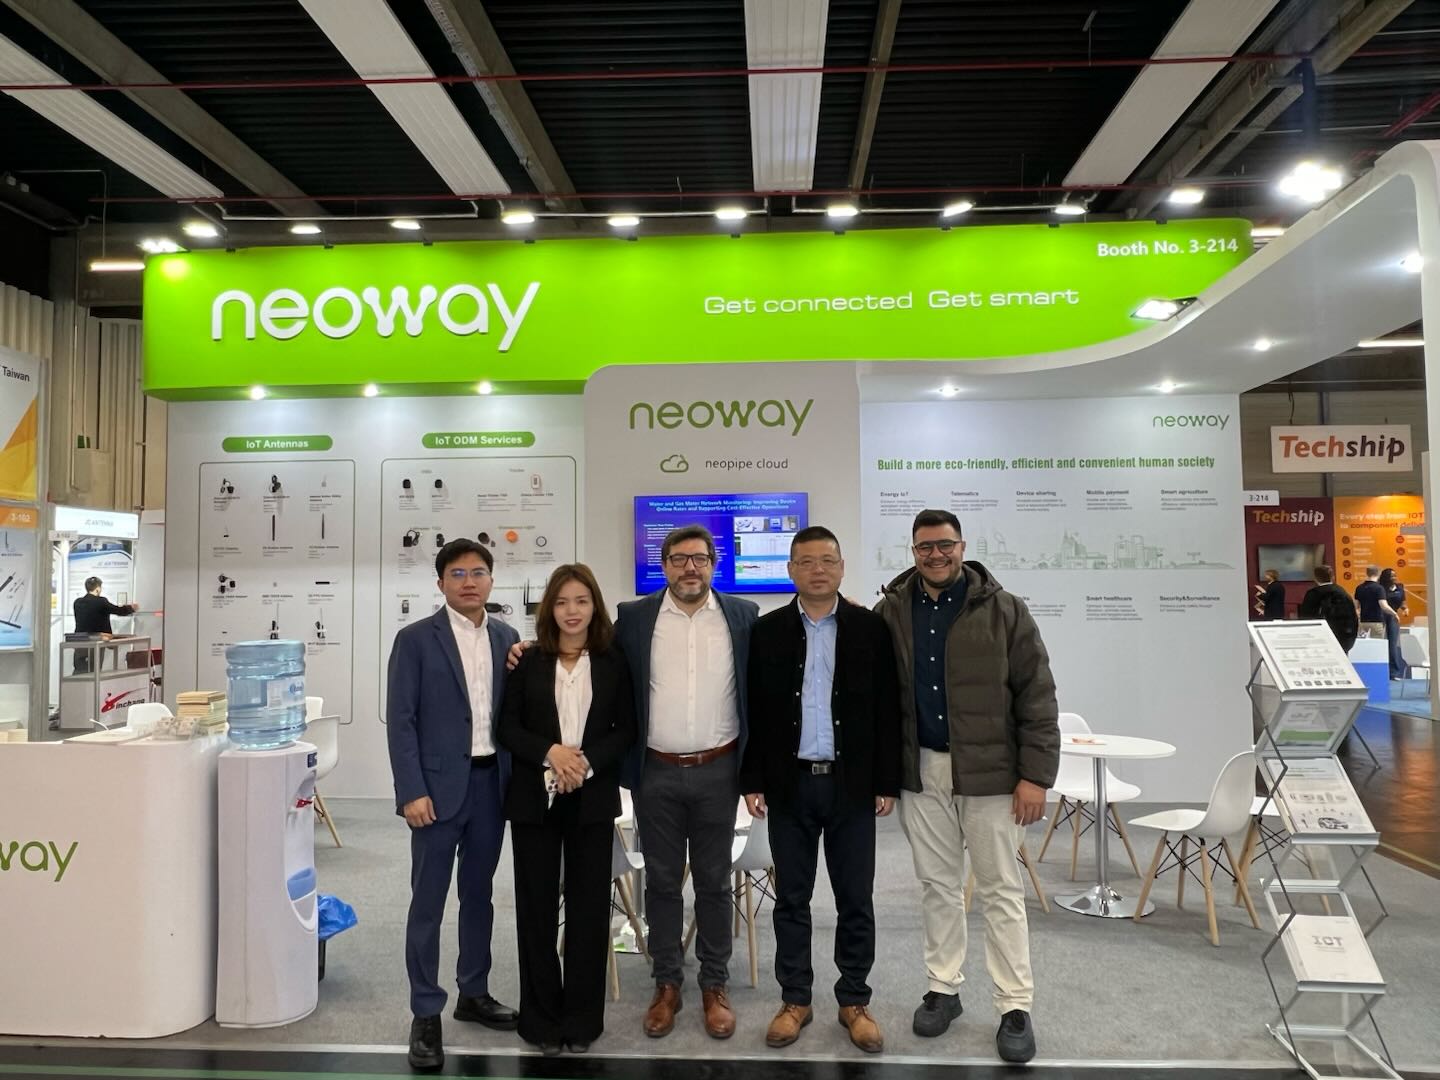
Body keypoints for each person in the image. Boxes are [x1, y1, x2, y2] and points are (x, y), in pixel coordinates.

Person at [873, 509, 1059, 1065]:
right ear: (913, 551)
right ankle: (943, 988)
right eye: (925, 547)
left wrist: (1035, 777)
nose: (936, 555)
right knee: (938, 887)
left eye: (945, 545)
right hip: (922, 773)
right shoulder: (891, 611)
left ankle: (1014, 1004)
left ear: (962, 546)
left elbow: (1037, 696)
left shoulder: (1005, 610)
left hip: (992, 776)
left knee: (1000, 889)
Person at [741, 526, 900, 1054]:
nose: (817, 570)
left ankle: (854, 1000)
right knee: (792, 898)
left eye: (827, 560)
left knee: (855, 897)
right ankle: (796, 999)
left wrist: (885, 780)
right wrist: (753, 779)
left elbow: (887, 709)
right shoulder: (767, 632)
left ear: (842, 567)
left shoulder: (870, 629)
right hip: (789, 787)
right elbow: (756, 711)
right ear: (790, 570)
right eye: (806, 561)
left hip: (851, 787)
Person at [615, 524, 758, 1040]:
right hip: (655, 772)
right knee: (661, 881)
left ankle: (714, 983)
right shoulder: (634, 618)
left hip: (720, 770)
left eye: (699, 558)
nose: (689, 568)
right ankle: (667, 983)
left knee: (715, 883)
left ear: (714, 564)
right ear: (664, 565)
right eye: (678, 559)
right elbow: (590, 657)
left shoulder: (743, 616)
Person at [387, 538, 521, 1071]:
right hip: (435, 794)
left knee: (479, 896)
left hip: (491, 787)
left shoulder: (508, 638)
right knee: (428, 902)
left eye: (478, 572)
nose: (469, 581)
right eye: (458, 573)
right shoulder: (416, 639)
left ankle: (474, 991)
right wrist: (410, 790)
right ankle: (425, 1011)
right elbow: (401, 720)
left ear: (491, 580)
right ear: (441, 582)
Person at [497, 564, 636, 1057]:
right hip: (535, 799)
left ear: (594, 605)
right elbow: (507, 728)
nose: (571, 611)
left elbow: (626, 729)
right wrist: (551, 753)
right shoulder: (527, 660)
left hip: (592, 796)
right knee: (536, 909)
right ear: (548, 609)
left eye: (581, 601)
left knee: (588, 911)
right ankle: (540, 1020)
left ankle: (581, 1021)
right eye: (561, 602)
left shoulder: (614, 661)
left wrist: (584, 763)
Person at [71, 576, 139, 673]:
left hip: (80, 643)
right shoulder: (101, 602)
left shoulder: (77, 603)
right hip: (96, 642)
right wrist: (131, 608)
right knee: (94, 671)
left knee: (79, 670)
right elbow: (118, 610)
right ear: (98, 589)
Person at [1297, 565, 1359, 652]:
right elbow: (1353, 616)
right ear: (1332, 577)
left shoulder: (1313, 594)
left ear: (1315, 578)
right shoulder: (1343, 592)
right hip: (1343, 639)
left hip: (1320, 640)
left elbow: (1306, 617)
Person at [1379, 568, 1408, 679]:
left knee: (1393, 645)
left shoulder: (1400, 587)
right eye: (1391, 576)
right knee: (1380, 643)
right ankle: (1380, 671)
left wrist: (1405, 609)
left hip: (1393, 616)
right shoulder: (1381, 588)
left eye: (1395, 575)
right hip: (1380, 615)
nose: (1394, 578)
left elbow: (1402, 602)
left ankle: (1394, 673)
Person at [1354, 565, 1392, 645]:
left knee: (1364, 645)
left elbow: (1356, 606)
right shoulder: (1379, 588)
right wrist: (1394, 613)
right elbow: (1384, 606)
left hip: (1363, 622)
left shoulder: (1359, 588)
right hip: (1377, 621)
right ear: (1379, 574)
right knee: (1377, 645)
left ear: (1367, 573)